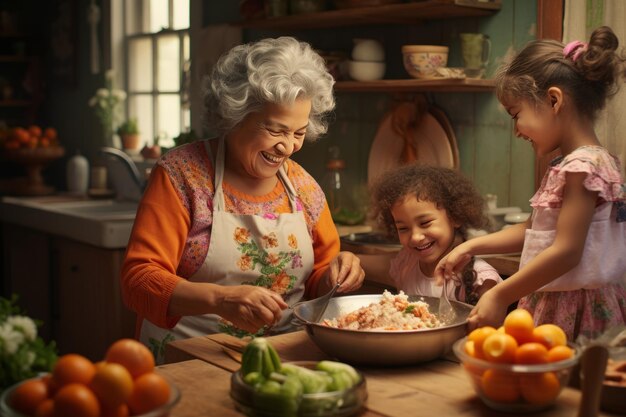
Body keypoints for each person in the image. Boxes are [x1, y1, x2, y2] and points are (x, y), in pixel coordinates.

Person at [120, 36, 365, 362]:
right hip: (188, 359)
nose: (288, 147)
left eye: (299, 132)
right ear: (234, 115)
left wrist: (339, 273)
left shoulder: (303, 187)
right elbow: (139, 281)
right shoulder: (183, 175)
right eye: (276, 130)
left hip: (281, 360)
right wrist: (220, 300)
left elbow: (319, 275)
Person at [435, 26, 626, 341]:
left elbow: (566, 252)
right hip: (556, 301)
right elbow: (533, 231)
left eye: (515, 115)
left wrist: (500, 294)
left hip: (575, 309)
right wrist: (469, 247)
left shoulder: (583, 167)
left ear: (553, 100)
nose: (517, 131)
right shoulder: (575, 164)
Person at [359, 164, 502, 305]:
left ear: (455, 217)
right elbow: (363, 263)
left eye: (425, 223)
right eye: (403, 228)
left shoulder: (482, 279)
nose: (415, 237)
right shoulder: (407, 262)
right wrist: (346, 258)